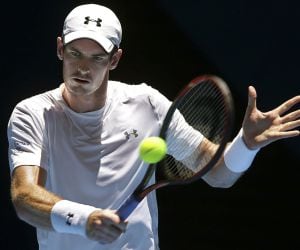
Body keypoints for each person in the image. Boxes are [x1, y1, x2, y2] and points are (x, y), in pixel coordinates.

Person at [7, 3, 300, 250]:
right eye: (75, 53)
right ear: (60, 48)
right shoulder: (32, 114)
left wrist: (245, 145)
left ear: (115, 59)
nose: (83, 68)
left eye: (97, 58)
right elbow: (24, 197)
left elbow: (219, 174)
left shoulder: (147, 104)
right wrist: (86, 219)